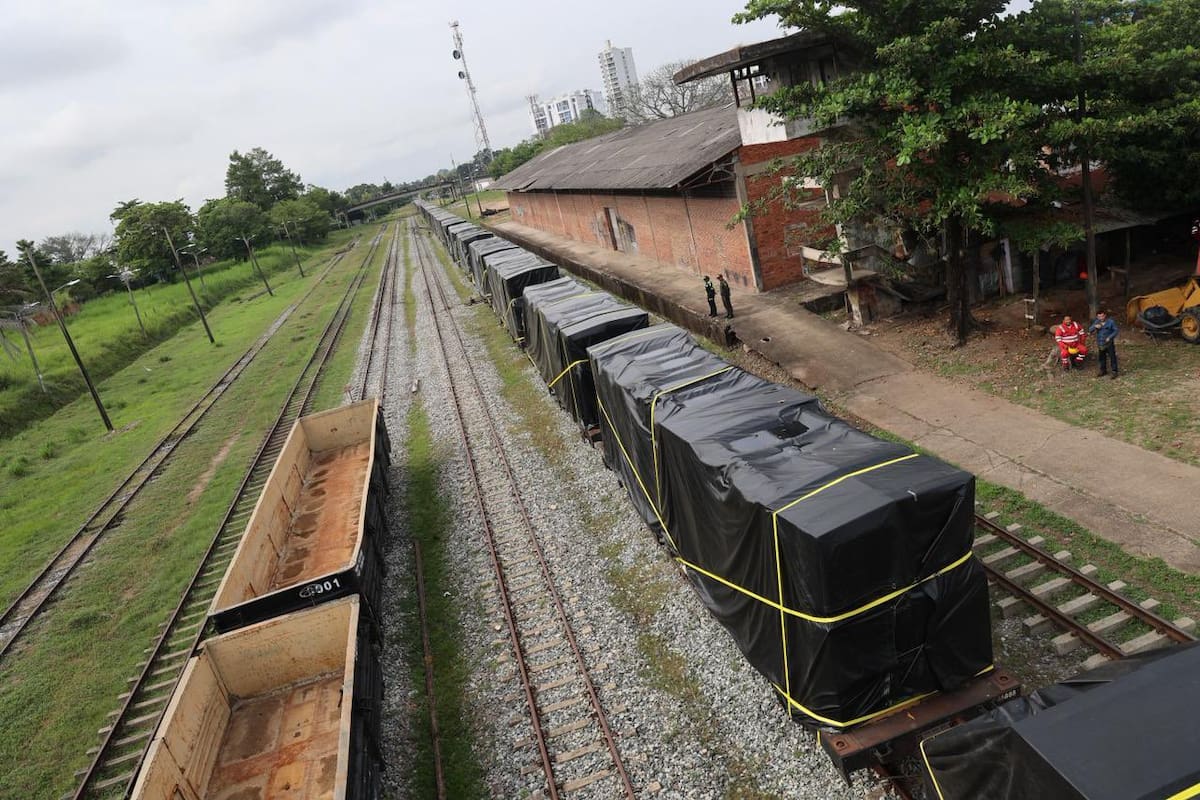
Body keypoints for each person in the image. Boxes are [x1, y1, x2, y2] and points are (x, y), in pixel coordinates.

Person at [1089, 309, 1119, 379]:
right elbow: (1090, 329)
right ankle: (1103, 370)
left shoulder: (1110, 322)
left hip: (1109, 343)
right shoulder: (1097, 322)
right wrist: (1095, 327)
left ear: (1105, 315)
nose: (1101, 318)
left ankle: (1114, 371)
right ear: (1097, 317)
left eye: (1102, 316)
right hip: (1100, 343)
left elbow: (1116, 330)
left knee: (1112, 357)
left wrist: (1110, 337)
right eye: (1099, 317)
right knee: (1102, 357)